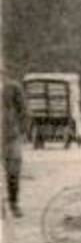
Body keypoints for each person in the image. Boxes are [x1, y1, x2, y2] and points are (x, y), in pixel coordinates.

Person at [3, 81, 27, 217]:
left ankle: (13, 203)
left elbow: (23, 110)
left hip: (11, 136)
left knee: (13, 170)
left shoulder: (12, 87)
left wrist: (21, 131)